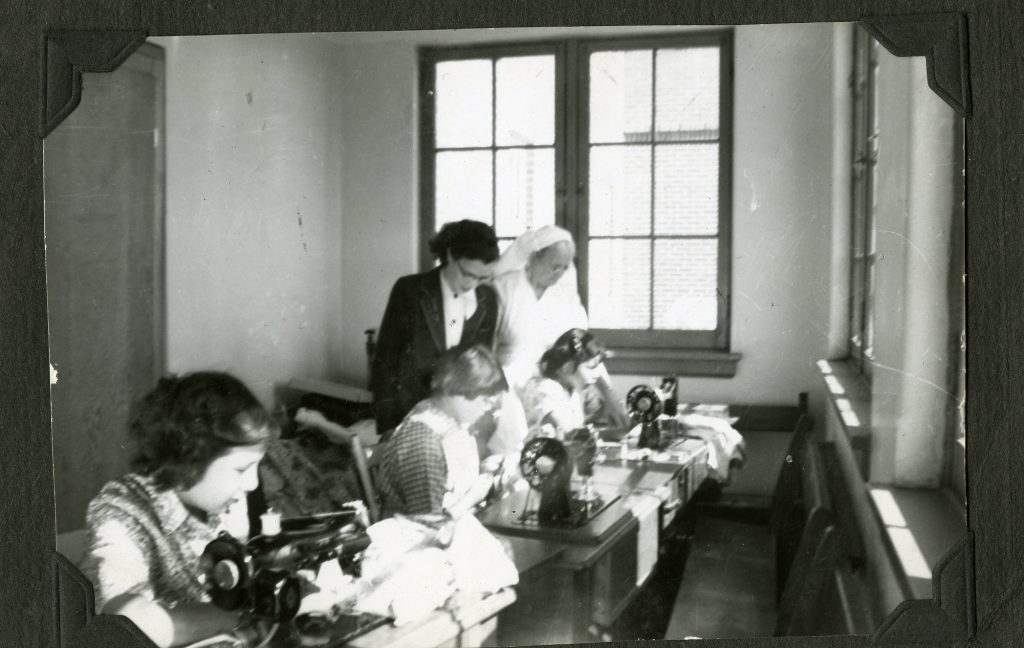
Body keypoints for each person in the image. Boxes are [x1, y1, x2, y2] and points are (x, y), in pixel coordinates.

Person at [81, 371, 279, 648]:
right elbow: (124, 626)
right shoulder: (121, 511)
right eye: (242, 469)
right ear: (191, 459)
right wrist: (260, 611)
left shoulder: (222, 505)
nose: (253, 483)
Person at [371, 220, 501, 439]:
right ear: (450, 255)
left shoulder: (487, 301)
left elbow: (481, 370)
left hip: (458, 421)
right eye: (468, 274)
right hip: (409, 414)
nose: (472, 285)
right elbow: (385, 362)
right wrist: (386, 427)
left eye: (482, 277)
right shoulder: (409, 291)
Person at [490, 225, 630, 428]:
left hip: (556, 395)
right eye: (554, 266)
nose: (559, 274)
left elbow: (587, 351)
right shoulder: (504, 290)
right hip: (508, 393)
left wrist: (609, 397)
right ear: (533, 258)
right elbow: (486, 351)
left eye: (565, 268)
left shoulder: (565, 297)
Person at [374, 345, 508, 519]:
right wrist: (472, 498)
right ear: (456, 390)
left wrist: (482, 472)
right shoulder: (424, 443)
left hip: (451, 528)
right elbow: (429, 527)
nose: (487, 409)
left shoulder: (443, 416)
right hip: (414, 540)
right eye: (485, 401)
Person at [519, 328, 606, 441]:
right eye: (591, 367)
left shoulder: (573, 390)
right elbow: (566, 433)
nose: (598, 374)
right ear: (568, 367)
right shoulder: (545, 389)